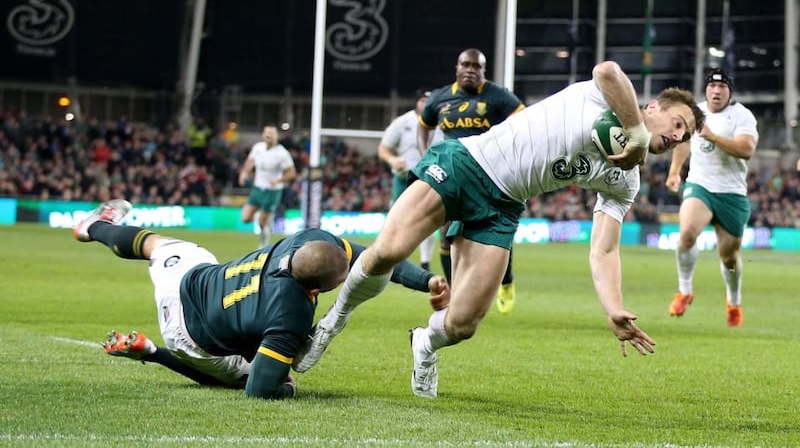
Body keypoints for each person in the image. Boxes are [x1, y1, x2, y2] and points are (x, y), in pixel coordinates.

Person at [294, 60, 705, 397]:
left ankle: (425, 343)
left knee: (463, 324)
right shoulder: (604, 96)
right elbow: (609, 70)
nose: (678, 135)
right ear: (653, 108)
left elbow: (604, 250)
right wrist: (634, 136)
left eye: (684, 134)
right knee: (390, 251)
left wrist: (613, 307)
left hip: (503, 207)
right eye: (678, 121)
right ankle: (334, 319)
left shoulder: (625, 180)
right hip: (467, 165)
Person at [73, 199, 449, 400]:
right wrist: (286, 386)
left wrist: (425, 280)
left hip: (192, 279)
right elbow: (259, 391)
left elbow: (373, 258)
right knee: (252, 378)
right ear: (317, 292)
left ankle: (93, 227)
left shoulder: (309, 241)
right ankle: (152, 352)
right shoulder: (290, 318)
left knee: (154, 243)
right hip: (187, 334)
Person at [417, 48, 526, 314]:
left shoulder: (498, 96)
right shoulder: (441, 98)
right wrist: (425, 154)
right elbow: (424, 124)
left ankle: (507, 282)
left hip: (490, 176)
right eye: (465, 64)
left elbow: (524, 120)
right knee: (446, 236)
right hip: (452, 176)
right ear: (456, 68)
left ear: (483, 71)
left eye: (476, 66)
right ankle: (454, 292)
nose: (470, 70)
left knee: (497, 234)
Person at [665, 68, 759, 327]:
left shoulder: (742, 116)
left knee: (729, 258)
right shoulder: (694, 112)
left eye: (722, 87)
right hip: (700, 186)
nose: (716, 91)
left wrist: (714, 137)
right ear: (705, 89)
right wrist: (675, 172)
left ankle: (734, 300)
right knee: (686, 234)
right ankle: (684, 290)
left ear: (730, 91)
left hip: (731, 194)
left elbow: (746, 150)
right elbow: (683, 142)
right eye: (711, 86)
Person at [377, 89, 437, 271]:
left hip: (430, 179)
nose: (425, 104)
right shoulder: (402, 123)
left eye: (429, 101)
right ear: (416, 102)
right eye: (422, 100)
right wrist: (393, 159)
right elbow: (383, 148)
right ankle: (387, 260)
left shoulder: (442, 123)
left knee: (430, 220)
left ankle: (425, 262)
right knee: (396, 220)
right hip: (404, 179)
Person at [238, 125, 297, 248]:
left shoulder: (282, 153)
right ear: (263, 135)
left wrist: (279, 179)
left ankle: (263, 244)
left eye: (272, 133)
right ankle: (264, 219)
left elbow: (291, 173)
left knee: (262, 223)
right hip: (258, 188)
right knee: (245, 218)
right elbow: (250, 161)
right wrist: (244, 173)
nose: (269, 136)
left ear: (276, 136)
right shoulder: (258, 148)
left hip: (272, 192)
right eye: (267, 133)